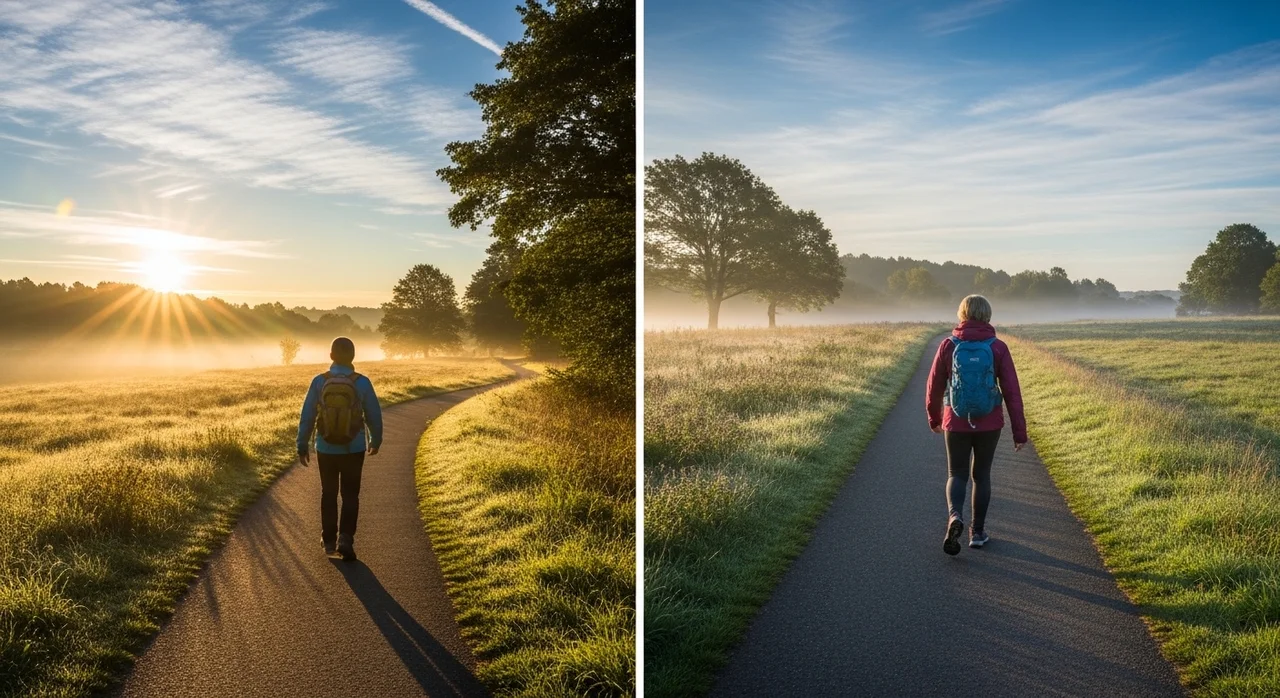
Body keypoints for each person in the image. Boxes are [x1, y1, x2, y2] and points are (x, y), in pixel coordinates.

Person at [925, 295, 1026, 555]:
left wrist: (934, 417)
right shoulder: (998, 347)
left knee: (956, 474)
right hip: (989, 422)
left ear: (962, 314)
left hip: (955, 421)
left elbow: (934, 385)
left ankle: (954, 516)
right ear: (988, 316)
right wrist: (1019, 431)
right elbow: (1012, 391)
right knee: (981, 476)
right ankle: (978, 532)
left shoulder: (948, 345)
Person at [297, 337, 383, 561]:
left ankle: (328, 541)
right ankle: (345, 538)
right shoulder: (362, 382)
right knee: (350, 494)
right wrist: (375, 440)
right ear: (353, 356)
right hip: (353, 447)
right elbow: (373, 414)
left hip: (325, 447)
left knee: (328, 493)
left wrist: (302, 444)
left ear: (331, 356)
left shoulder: (319, 381)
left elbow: (307, 416)